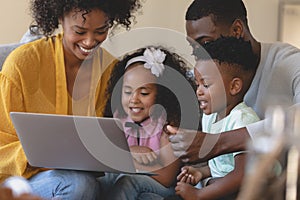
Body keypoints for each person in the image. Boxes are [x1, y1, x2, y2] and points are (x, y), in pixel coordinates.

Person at [0, 0, 141, 199]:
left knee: (121, 183)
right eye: (80, 31)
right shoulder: (22, 65)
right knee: (77, 184)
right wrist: (38, 156)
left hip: (89, 178)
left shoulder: (111, 70)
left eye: (101, 30)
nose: (90, 41)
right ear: (59, 18)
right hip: (28, 178)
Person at [167, 0, 300, 165]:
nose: (198, 53)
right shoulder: (204, 78)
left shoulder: (289, 62)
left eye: (205, 43)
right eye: (193, 47)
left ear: (237, 30)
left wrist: (218, 143)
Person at [100, 46, 196, 199]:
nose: (134, 99)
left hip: (165, 188)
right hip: (135, 189)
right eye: (127, 92)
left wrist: (126, 158)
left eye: (144, 93)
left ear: (162, 94)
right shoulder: (118, 119)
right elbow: (104, 161)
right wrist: (132, 153)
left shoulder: (168, 125)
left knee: (127, 182)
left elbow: (166, 177)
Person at [175, 36, 260, 200]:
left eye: (205, 85)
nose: (199, 91)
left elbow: (241, 175)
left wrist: (199, 194)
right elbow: (223, 166)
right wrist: (200, 172)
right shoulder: (210, 117)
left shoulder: (242, 120)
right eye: (197, 84)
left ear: (234, 86)